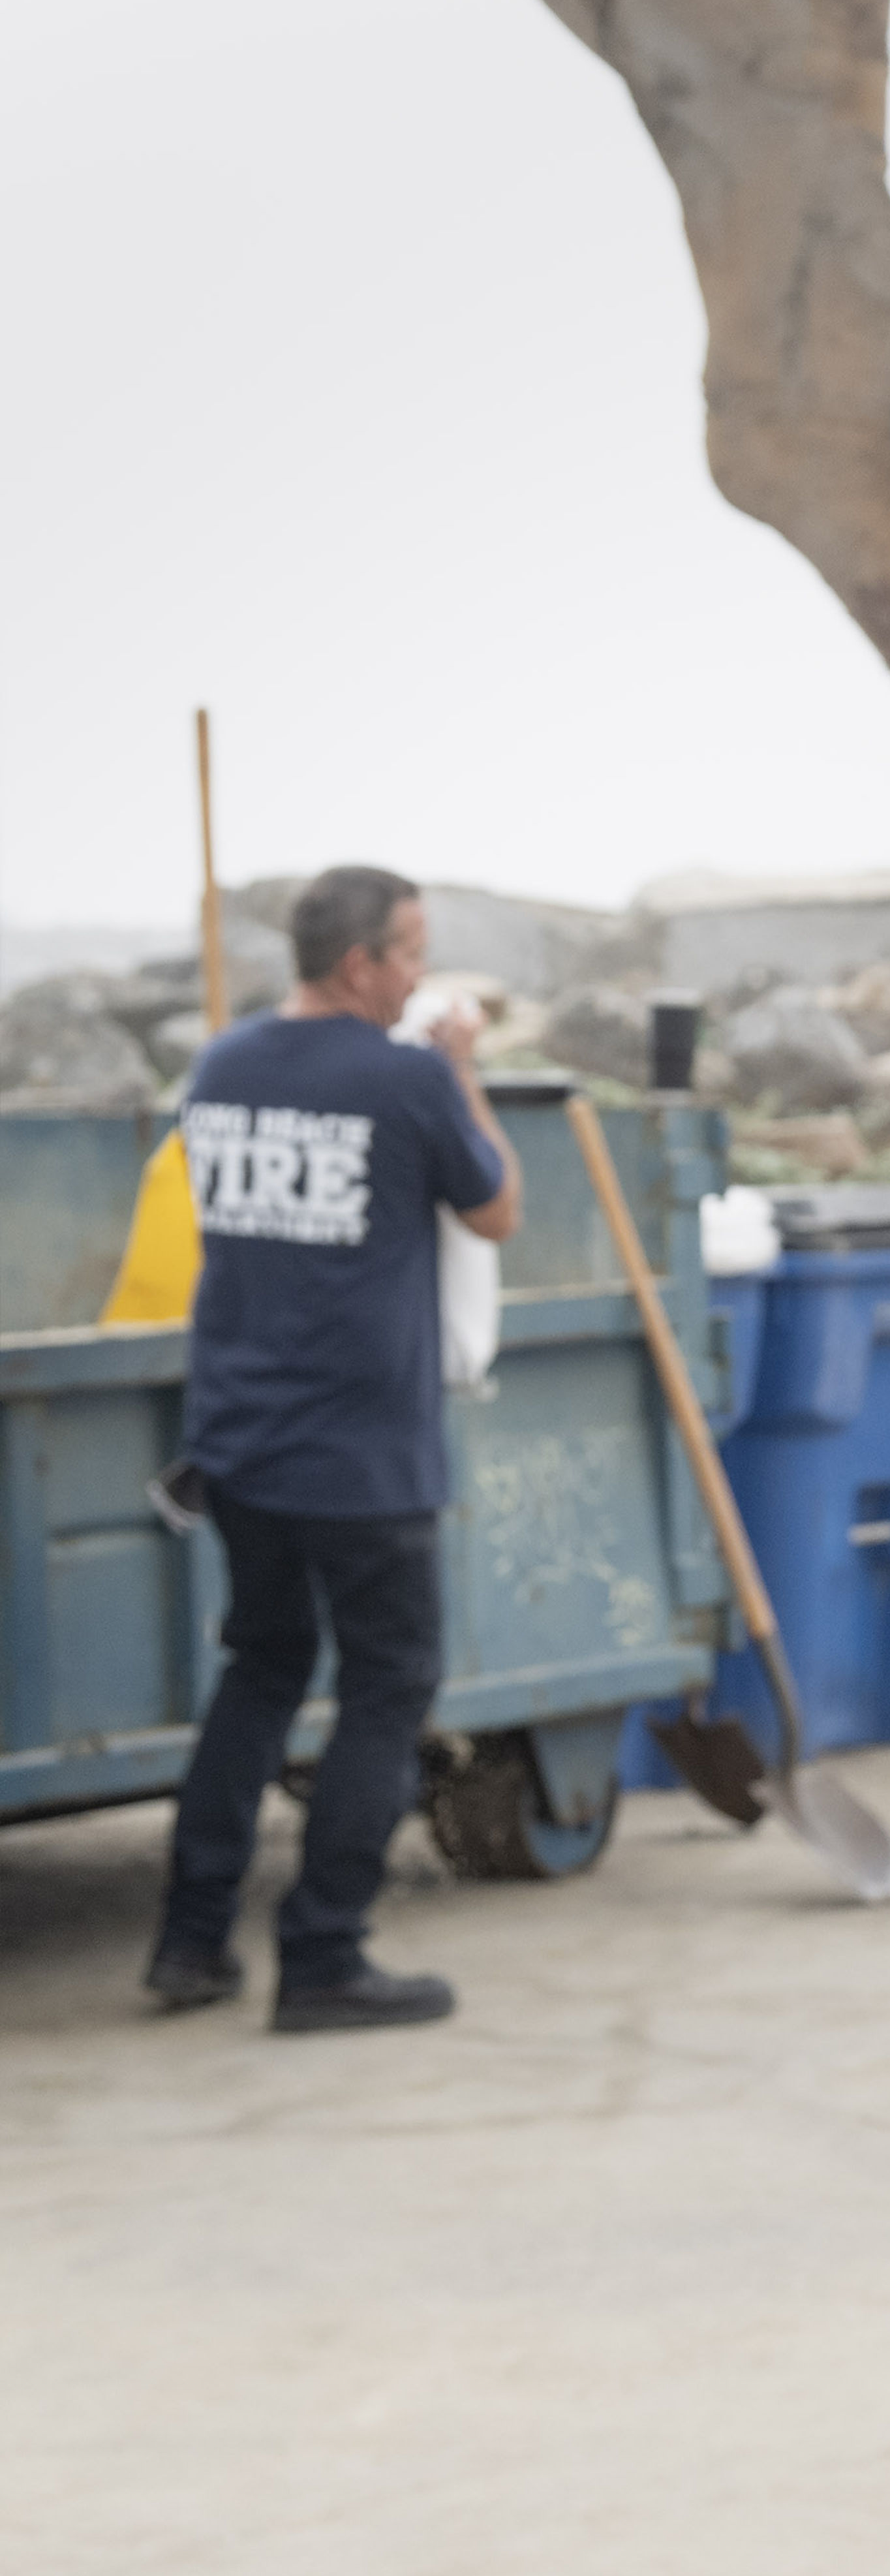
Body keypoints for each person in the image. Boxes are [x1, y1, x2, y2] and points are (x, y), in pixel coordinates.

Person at [145, 865, 520, 2032]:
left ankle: (191, 1942)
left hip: (241, 1440)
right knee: (387, 1684)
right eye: (410, 953)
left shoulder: (227, 1064)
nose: (419, 973)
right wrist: (460, 1063)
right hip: (361, 1450)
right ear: (361, 965)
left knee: (259, 1669)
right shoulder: (406, 1080)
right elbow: (497, 1206)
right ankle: (322, 1955)